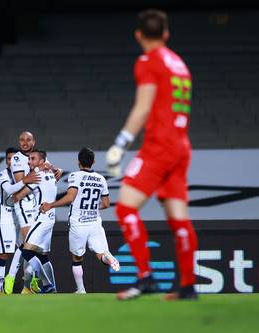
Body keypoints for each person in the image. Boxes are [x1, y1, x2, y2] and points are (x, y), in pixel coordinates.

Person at [105, 9, 198, 300]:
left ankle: (145, 278)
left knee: (125, 209)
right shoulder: (179, 63)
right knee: (178, 218)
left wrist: (120, 144)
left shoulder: (148, 61)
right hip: (181, 146)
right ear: (166, 34)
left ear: (139, 35)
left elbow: (143, 107)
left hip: (159, 146)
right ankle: (187, 287)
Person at [40, 147, 120, 294]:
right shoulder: (101, 179)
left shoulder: (76, 176)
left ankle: (81, 289)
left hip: (79, 224)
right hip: (95, 223)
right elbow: (107, 203)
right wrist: (93, 208)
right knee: (100, 254)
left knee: (77, 258)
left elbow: (70, 198)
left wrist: (50, 205)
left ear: (78, 162)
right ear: (93, 162)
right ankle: (107, 257)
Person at [4, 132, 61, 294]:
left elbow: (23, 189)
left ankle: (29, 282)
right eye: (21, 139)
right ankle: (34, 284)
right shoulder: (19, 159)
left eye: (28, 139)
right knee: (39, 253)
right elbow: (22, 180)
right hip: (34, 211)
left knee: (27, 249)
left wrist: (57, 170)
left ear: (34, 142)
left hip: (39, 213)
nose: (25, 142)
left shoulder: (40, 171)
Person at [0, 147, 40, 294]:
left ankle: (26, 284)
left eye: (14, 159)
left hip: (21, 212)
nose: (11, 162)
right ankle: (0, 289)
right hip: (6, 216)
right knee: (4, 254)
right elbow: (9, 189)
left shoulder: (26, 173)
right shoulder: (3, 174)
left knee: (27, 247)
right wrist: (25, 181)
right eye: (8, 159)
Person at [13, 149, 57, 293]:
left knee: (26, 251)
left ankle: (47, 284)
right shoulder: (50, 173)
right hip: (50, 218)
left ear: (41, 161)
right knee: (42, 255)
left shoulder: (37, 175)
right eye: (29, 159)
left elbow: (19, 195)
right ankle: (53, 287)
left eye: (33, 159)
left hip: (41, 219)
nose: (29, 161)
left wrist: (13, 195)